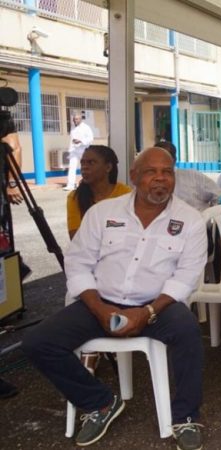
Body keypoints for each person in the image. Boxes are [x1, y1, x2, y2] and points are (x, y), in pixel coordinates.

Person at [23, 148, 207, 449]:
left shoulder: (191, 221)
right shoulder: (102, 213)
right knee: (38, 342)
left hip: (157, 305)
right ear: (134, 176)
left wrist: (146, 312)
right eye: (151, 172)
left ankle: (185, 416)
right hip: (100, 302)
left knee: (188, 333)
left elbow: (186, 278)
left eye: (168, 172)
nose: (161, 179)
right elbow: (78, 263)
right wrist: (98, 308)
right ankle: (100, 402)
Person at [66, 145, 131, 239]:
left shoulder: (125, 193)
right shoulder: (75, 197)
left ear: (108, 167)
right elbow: (75, 237)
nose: (84, 167)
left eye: (91, 162)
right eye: (82, 163)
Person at [155, 141, 221, 212]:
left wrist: (210, 215)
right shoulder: (149, 181)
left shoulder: (192, 176)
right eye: (155, 158)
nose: (160, 162)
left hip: (198, 220)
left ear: (174, 159)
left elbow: (219, 195)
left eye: (164, 157)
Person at [65, 112, 94, 191]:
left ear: (81, 119)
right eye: (74, 119)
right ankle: (70, 184)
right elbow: (72, 140)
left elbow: (90, 139)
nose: (75, 121)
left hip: (83, 150)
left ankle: (86, 183)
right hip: (74, 150)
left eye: (77, 119)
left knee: (84, 167)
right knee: (72, 167)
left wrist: (80, 141)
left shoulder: (86, 127)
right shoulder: (73, 128)